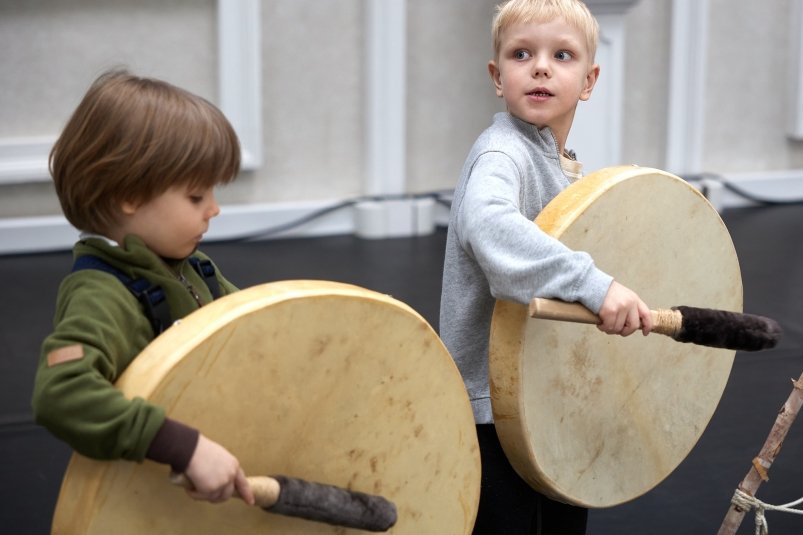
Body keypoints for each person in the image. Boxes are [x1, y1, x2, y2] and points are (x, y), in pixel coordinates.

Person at [439, 0, 653, 533]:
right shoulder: (501, 156)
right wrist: (594, 286)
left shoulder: (560, 164)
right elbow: (490, 230)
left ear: (588, 80)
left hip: (542, 393)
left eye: (562, 54)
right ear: (497, 76)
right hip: (495, 407)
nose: (540, 66)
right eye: (521, 53)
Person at [31, 70, 255, 506]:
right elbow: (60, 394)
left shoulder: (194, 267)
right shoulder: (101, 295)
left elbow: (256, 328)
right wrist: (183, 448)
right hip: (155, 495)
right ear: (128, 196)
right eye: (195, 197)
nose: (214, 208)